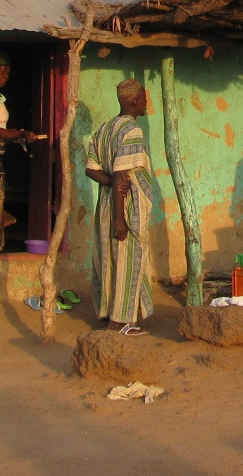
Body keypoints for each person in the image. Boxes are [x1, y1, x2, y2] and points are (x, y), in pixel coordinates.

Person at [86, 78, 155, 335]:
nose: (147, 103)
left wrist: (113, 181)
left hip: (107, 202)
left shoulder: (104, 129)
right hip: (124, 207)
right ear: (135, 101)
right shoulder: (131, 131)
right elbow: (121, 172)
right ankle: (121, 321)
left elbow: (92, 169)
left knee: (109, 259)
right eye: (145, 99)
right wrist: (120, 218)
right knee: (128, 259)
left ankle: (106, 315)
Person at [0, 53, 38, 252]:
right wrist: (18, 133)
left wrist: (18, 136)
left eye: (8, 73)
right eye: (2, 71)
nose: (6, 76)